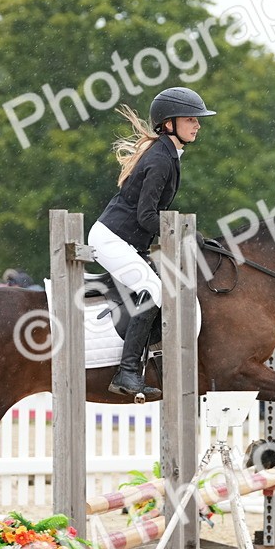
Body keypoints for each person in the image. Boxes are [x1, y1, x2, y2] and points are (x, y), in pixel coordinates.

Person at [88, 86, 216, 398]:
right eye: (191, 119)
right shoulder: (160, 159)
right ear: (169, 123)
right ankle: (127, 372)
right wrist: (183, 235)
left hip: (128, 241)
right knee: (153, 289)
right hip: (111, 239)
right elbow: (147, 216)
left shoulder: (168, 154)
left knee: (163, 287)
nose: (198, 124)